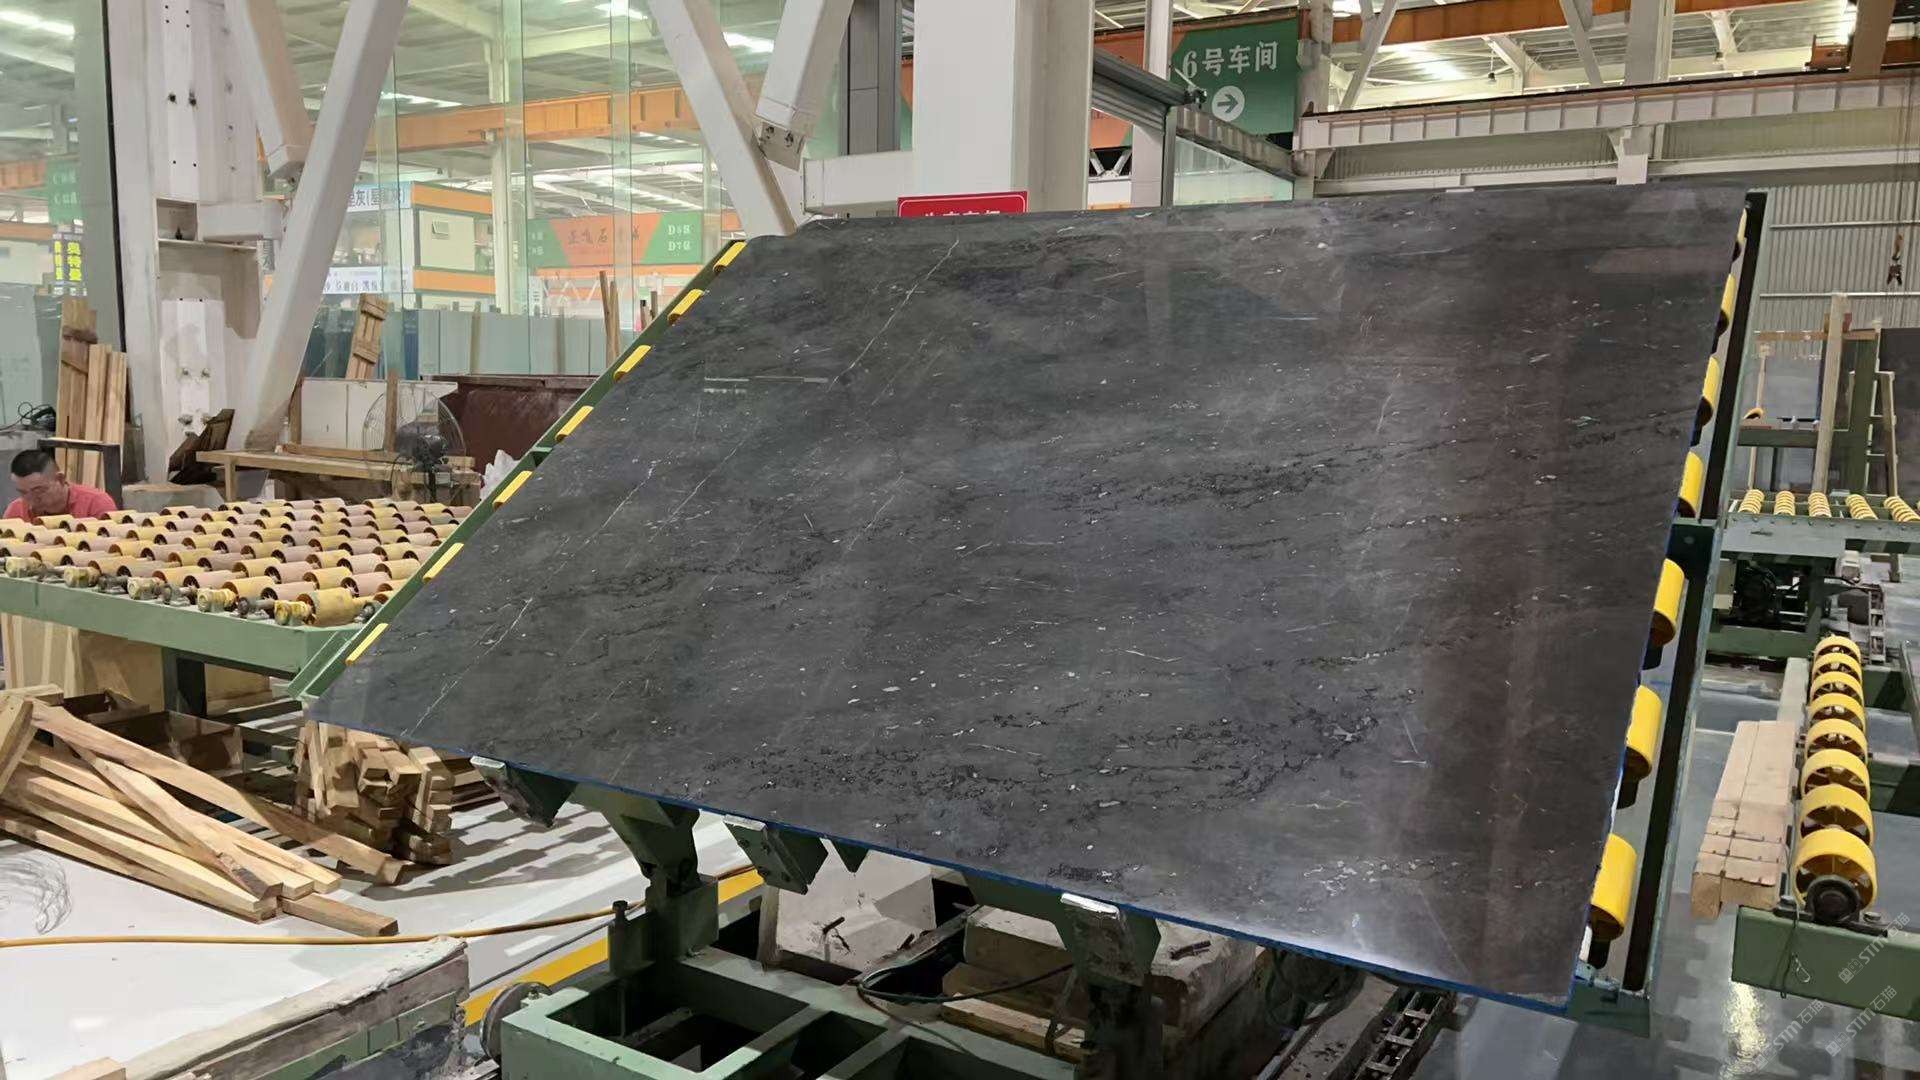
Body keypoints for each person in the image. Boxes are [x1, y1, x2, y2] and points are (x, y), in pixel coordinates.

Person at [4, 449, 117, 523]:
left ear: (60, 479)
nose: (31, 500)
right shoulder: (16, 511)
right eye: (23, 492)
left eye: (38, 490)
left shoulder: (95, 504)